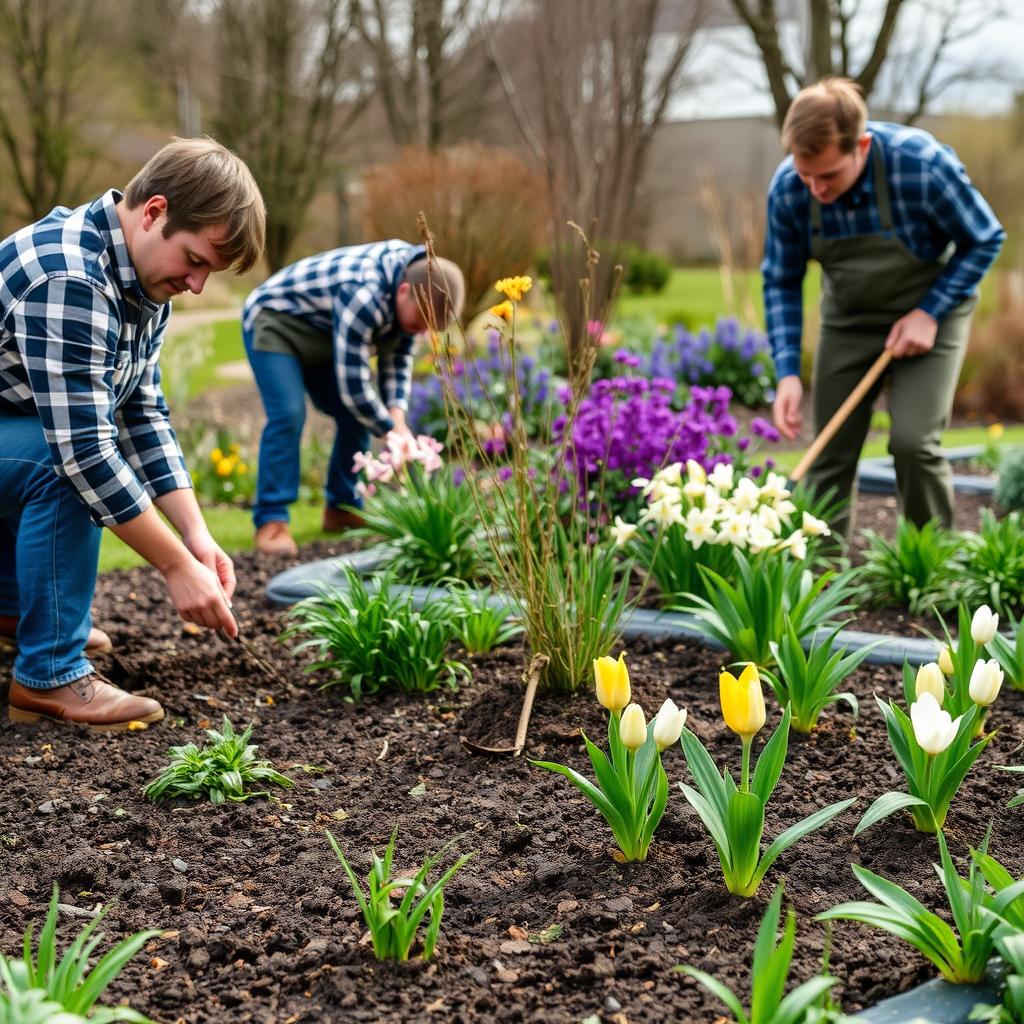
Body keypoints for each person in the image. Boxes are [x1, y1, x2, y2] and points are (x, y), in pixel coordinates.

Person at [0, 136, 266, 730]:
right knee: (59, 463)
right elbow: (86, 453)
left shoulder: (140, 282)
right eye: (196, 260)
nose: (198, 285)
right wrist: (174, 568)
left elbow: (142, 413)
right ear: (155, 212)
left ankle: (14, 613)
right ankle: (49, 677)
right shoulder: (71, 276)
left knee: (58, 450)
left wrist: (197, 538)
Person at [762, 78, 1005, 537]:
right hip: (849, 320)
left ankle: (931, 564)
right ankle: (818, 581)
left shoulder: (920, 165)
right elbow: (781, 279)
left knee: (914, 443)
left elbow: (985, 237)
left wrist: (930, 311)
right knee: (830, 451)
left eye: (828, 175)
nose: (815, 188)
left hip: (931, 314)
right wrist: (788, 370)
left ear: (862, 145)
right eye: (805, 173)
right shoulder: (788, 189)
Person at [242, 241, 465, 555]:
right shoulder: (364, 291)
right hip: (276, 322)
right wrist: (391, 431)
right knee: (289, 413)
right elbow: (354, 386)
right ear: (403, 292)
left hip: (324, 335)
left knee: (357, 416)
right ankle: (271, 521)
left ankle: (342, 508)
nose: (419, 334)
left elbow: (397, 362)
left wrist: (397, 420)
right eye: (418, 324)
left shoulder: (414, 296)